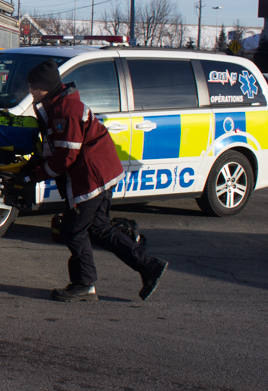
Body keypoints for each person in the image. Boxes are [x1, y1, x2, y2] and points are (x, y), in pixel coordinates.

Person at [21, 59, 168, 302]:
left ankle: (83, 284)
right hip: (101, 172)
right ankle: (149, 266)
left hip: (91, 177)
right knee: (99, 229)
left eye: (32, 86)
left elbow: (66, 157)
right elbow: (54, 148)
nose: (29, 91)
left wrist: (33, 176)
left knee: (73, 229)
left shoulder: (65, 111)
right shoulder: (58, 105)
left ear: (44, 87)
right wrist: (33, 166)